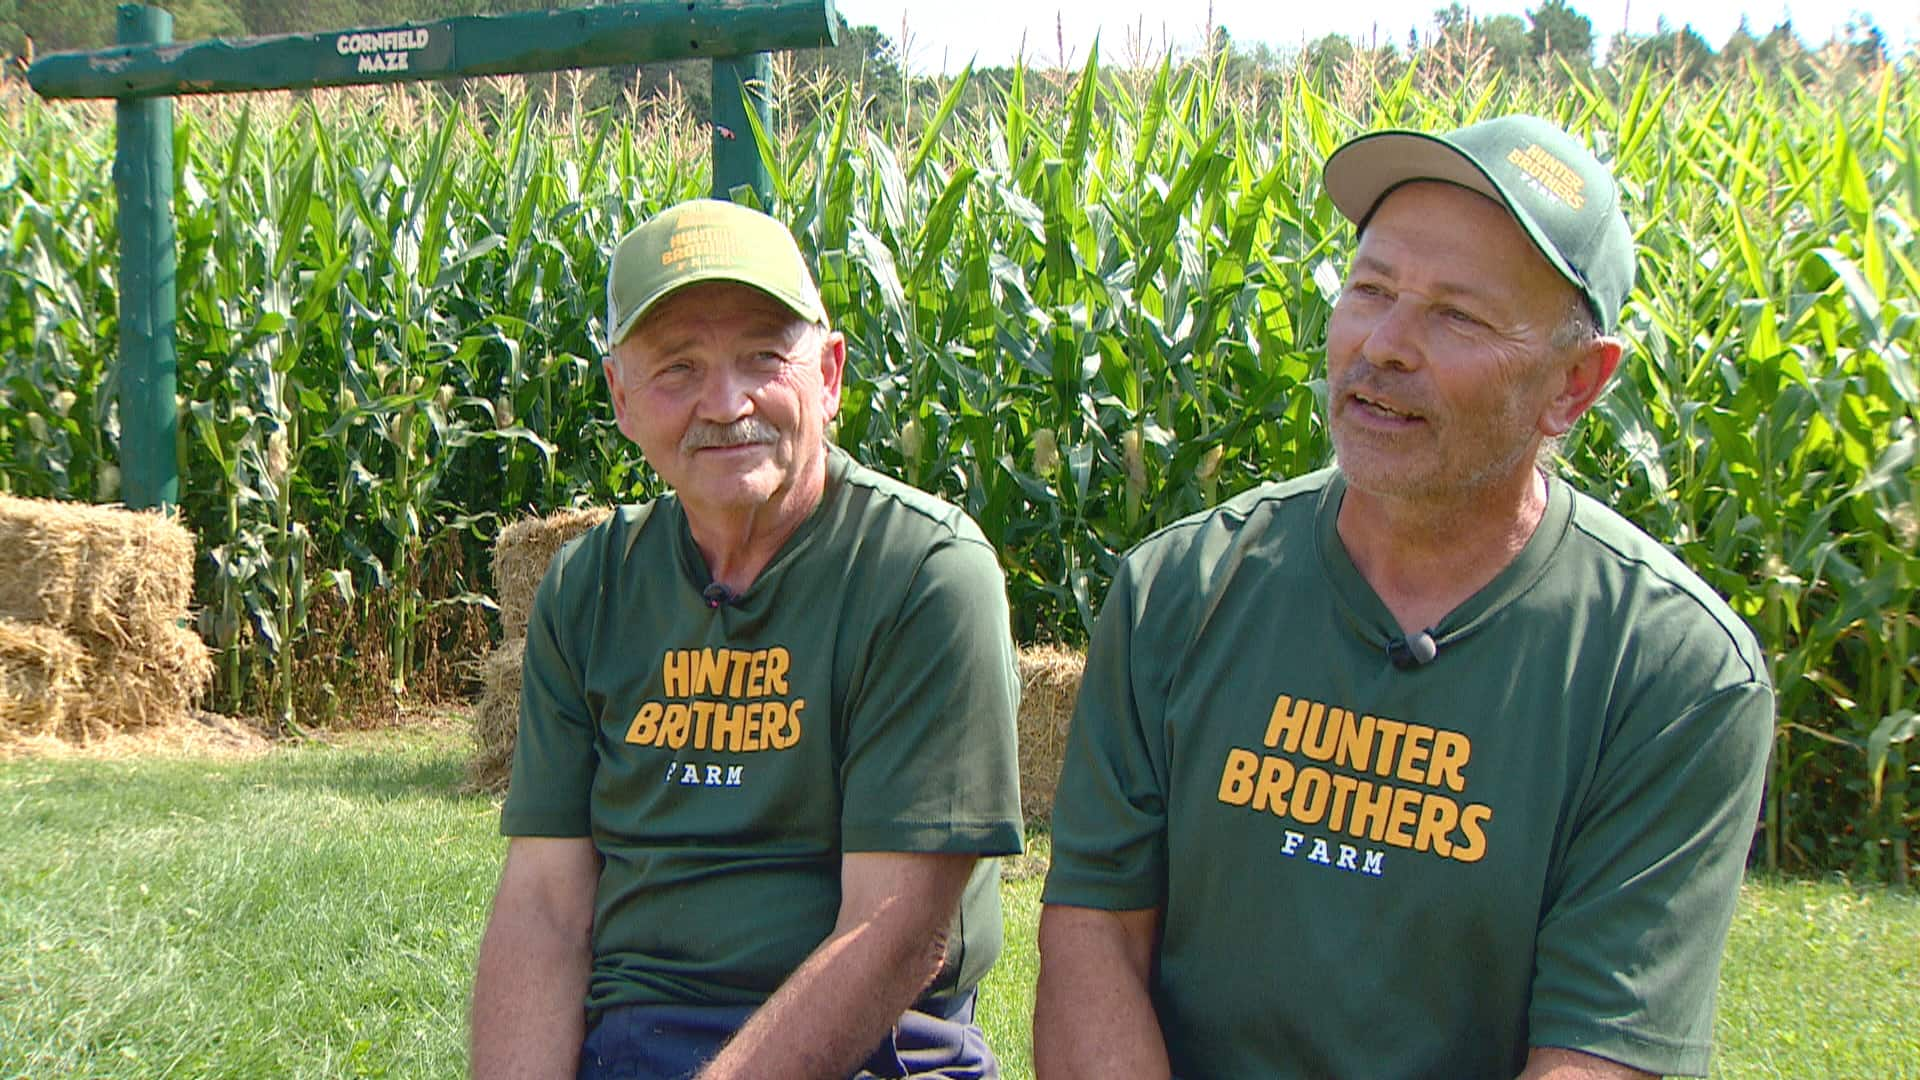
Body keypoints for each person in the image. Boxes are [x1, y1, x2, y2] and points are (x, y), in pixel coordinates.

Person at [1032, 115, 1774, 1079]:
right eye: (1370, 289)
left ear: (1576, 385)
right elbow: (1095, 938)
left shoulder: (1672, 673)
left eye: (1457, 316)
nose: (1382, 345)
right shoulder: (1180, 588)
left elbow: (1600, 1053)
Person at [471, 199, 1024, 1080]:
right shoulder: (591, 586)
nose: (725, 406)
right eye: (678, 369)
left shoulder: (922, 574)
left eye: (763, 358)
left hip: (878, 1047)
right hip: (634, 1038)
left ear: (830, 372)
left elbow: (895, 936)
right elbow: (544, 905)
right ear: (620, 395)